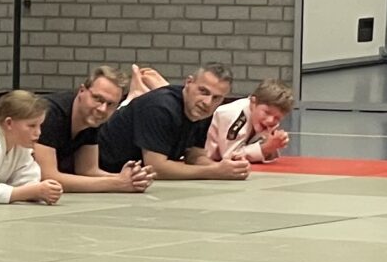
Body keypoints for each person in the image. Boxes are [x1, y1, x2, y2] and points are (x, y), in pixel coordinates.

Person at [94, 65, 249, 181]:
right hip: (102, 169)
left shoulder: (203, 111)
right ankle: (137, 90)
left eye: (217, 98)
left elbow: (194, 155)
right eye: (203, 91)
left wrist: (226, 167)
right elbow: (157, 167)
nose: (208, 102)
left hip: (133, 175)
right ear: (189, 82)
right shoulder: (160, 107)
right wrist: (214, 172)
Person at [34, 64, 152, 193]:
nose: (102, 109)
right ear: (82, 91)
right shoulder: (50, 113)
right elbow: (48, 177)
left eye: (110, 104)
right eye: (97, 99)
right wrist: (117, 183)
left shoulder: (91, 119)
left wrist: (130, 178)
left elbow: (87, 170)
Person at [206, 80, 295, 165]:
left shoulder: (266, 122)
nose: (270, 120)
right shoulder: (231, 114)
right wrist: (267, 147)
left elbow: (264, 155)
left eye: (277, 118)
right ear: (253, 102)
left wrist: (275, 143)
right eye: (267, 112)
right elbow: (230, 157)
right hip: (203, 164)